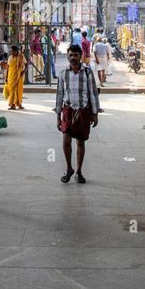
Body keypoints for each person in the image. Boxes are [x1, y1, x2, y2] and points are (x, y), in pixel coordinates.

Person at [56, 44, 99, 184]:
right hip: (68, 111)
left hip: (83, 111)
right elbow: (59, 95)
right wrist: (58, 115)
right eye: (70, 55)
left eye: (75, 55)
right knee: (66, 141)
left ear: (80, 56)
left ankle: (79, 171)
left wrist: (95, 113)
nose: (72, 58)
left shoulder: (87, 73)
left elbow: (93, 93)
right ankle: (69, 168)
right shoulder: (63, 74)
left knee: (80, 142)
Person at [5, 45, 26, 110]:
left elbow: (26, 64)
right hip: (11, 76)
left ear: (16, 51)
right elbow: (8, 68)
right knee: (11, 90)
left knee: (19, 91)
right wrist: (6, 77)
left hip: (19, 76)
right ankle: (12, 105)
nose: (12, 52)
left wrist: (23, 71)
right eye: (11, 51)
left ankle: (19, 104)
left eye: (13, 51)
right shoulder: (10, 58)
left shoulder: (21, 57)